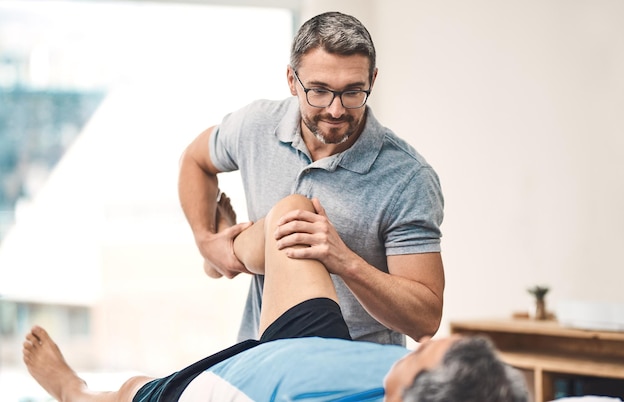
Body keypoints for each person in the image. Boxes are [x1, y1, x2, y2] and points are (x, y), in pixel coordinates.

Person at [23, 195, 529, 402]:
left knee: (134, 390)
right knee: (293, 215)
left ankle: (73, 391)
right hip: (317, 343)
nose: (416, 346)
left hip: (251, 379)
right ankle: (226, 254)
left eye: (422, 357)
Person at [178, 11, 445, 345]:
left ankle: (229, 255)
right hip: (263, 360)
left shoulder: (407, 178)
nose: (335, 110)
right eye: (319, 91)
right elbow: (194, 159)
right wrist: (206, 241)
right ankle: (225, 256)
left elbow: (425, 320)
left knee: (291, 213)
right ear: (292, 80)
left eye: (353, 92)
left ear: (372, 81)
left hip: (356, 375)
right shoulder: (256, 125)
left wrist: (343, 260)